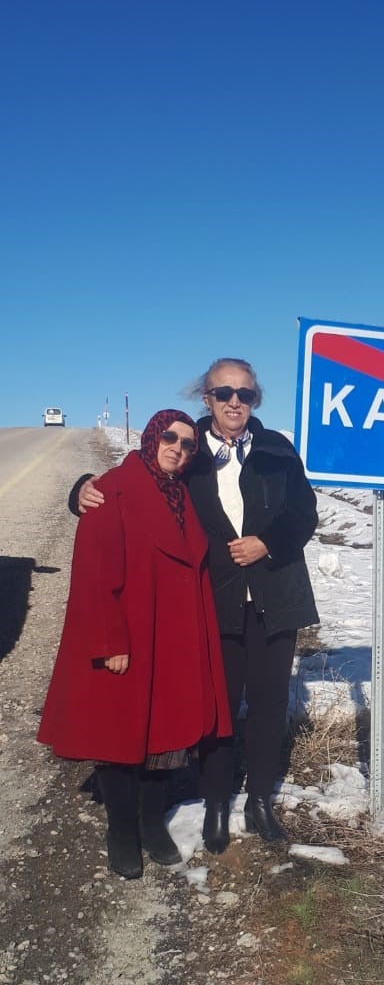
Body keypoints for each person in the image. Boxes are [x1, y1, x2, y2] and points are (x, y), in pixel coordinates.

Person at [74, 358, 319, 852]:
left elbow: (304, 512)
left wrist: (267, 543)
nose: (234, 402)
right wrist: (80, 488)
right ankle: (215, 805)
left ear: (255, 401)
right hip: (213, 602)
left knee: (270, 704)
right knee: (219, 707)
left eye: (245, 394)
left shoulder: (277, 449)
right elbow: (136, 483)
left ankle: (259, 802)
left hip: (277, 594)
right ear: (206, 398)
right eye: (224, 392)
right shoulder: (188, 451)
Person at [39, 410, 232, 880]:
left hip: (173, 636)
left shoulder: (182, 495)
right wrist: (110, 641)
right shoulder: (113, 488)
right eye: (170, 438)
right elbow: (93, 572)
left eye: (188, 445)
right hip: (128, 634)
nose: (178, 449)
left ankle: (151, 824)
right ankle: (121, 831)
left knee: (165, 741)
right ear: (151, 437)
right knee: (119, 739)